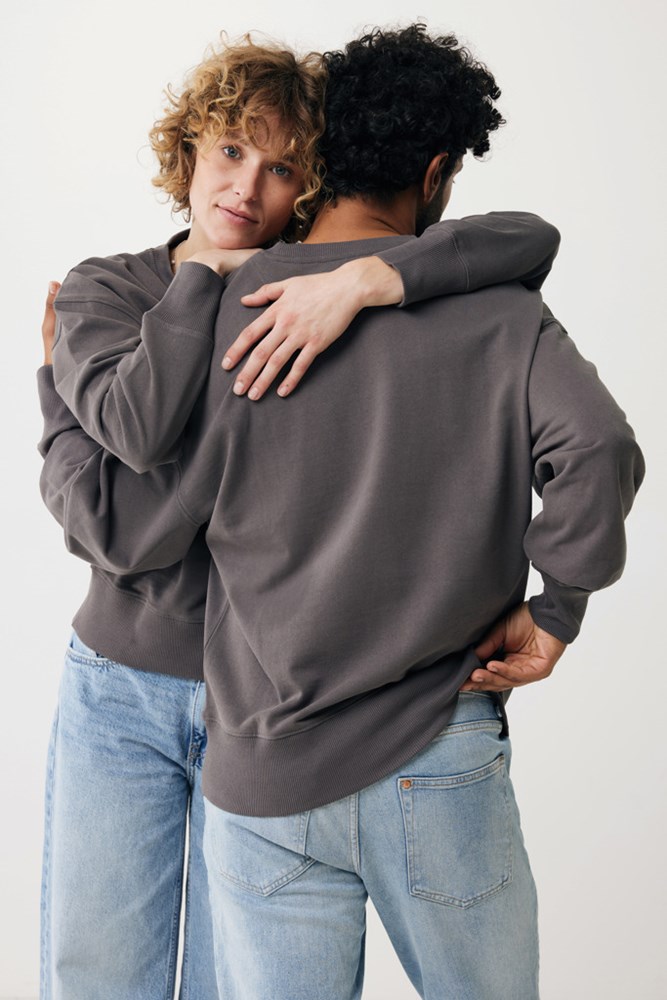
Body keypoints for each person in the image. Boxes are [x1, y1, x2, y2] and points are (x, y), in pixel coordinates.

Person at [38, 30, 563, 1000]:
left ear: (312, 185)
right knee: (97, 973)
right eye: (230, 149)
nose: (246, 187)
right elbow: (123, 524)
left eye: (281, 168)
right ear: (188, 149)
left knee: (230, 985)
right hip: (120, 688)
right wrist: (174, 299)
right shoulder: (112, 289)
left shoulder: (310, 298)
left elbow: (523, 240)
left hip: (260, 706)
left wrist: (370, 276)